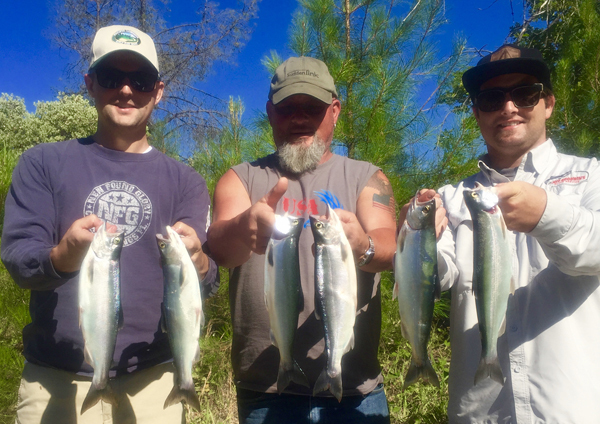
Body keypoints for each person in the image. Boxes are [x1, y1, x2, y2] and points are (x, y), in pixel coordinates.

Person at [1, 25, 217, 423]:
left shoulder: (187, 181)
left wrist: (201, 262)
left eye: (141, 79)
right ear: (90, 84)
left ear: (159, 90)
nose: (126, 90)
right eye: (111, 77)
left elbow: (204, 284)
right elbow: (18, 260)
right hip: (56, 381)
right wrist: (63, 255)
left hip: (154, 382)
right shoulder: (42, 163)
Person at [206, 56, 397, 423]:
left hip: (356, 390)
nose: (299, 118)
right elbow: (218, 249)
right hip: (266, 390)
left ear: (335, 111)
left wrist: (364, 246)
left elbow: (390, 246)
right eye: (287, 108)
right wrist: (244, 224)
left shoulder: (369, 178)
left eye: (312, 107)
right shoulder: (240, 178)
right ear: (269, 113)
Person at [422, 44, 600, 423]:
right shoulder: (452, 198)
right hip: (482, 413)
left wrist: (546, 215)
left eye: (525, 93)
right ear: (476, 113)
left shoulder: (591, 176)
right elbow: (438, 277)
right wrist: (418, 235)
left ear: (548, 102)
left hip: (575, 409)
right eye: (491, 98)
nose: (508, 107)